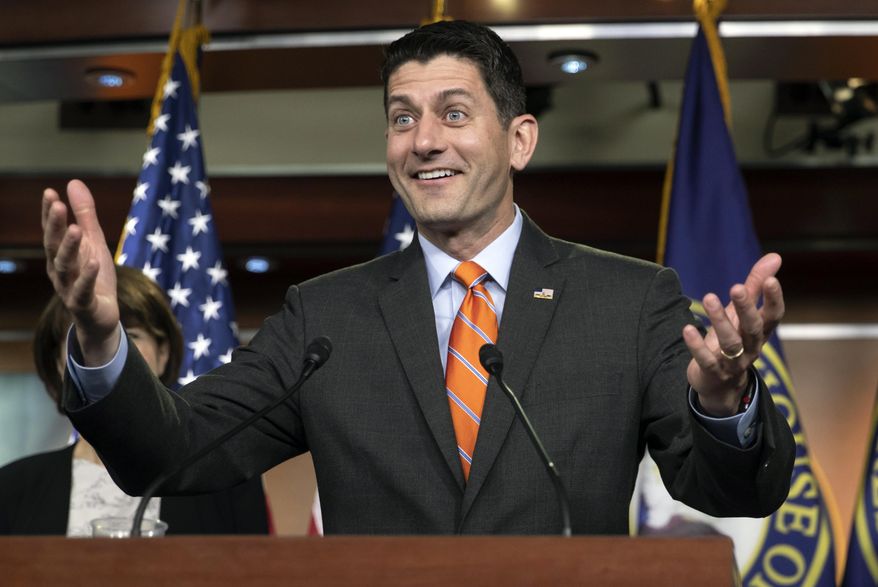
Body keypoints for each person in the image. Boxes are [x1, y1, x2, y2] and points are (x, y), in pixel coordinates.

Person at [40, 21, 794, 535]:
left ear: (519, 139)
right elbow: (170, 452)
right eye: (402, 118)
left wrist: (724, 402)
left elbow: (735, 490)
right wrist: (104, 337)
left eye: (454, 113)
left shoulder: (628, 302)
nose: (424, 140)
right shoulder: (325, 317)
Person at [0, 265, 269, 536]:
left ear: (163, 354)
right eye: (85, 335)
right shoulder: (11, 488)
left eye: (131, 336)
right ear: (58, 362)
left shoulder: (225, 484)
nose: (105, 353)